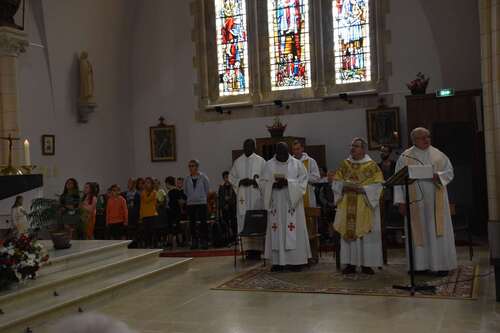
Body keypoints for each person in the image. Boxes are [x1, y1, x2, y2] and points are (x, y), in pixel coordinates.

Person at [394, 127, 457, 275]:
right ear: (414, 140)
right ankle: (419, 266)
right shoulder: (405, 156)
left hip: (436, 202)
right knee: (418, 232)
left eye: (428, 136)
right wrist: (401, 202)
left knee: (436, 232)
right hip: (415, 203)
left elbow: (449, 172)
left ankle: (441, 266)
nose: (427, 139)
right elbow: (397, 181)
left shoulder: (438, 155)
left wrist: (438, 176)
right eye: (423, 137)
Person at [333, 137, 384, 275]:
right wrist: (342, 187)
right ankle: (350, 263)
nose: (352, 148)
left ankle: (367, 264)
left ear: (363, 149)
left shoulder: (372, 165)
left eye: (356, 146)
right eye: (352, 145)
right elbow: (336, 181)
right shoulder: (345, 164)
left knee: (366, 233)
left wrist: (363, 189)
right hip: (347, 202)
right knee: (348, 231)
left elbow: (379, 185)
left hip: (364, 203)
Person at [262, 142, 312, 271]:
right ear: (276, 152)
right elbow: (262, 183)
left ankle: (296, 262)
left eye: (284, 152)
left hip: (292, 204)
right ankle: (278, 263)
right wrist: (272, 185)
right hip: (276, 205)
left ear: (288, 151)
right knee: (277, 231)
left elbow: (303, 183)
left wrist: (288, 184)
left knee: (294, 230)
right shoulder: (268, 165)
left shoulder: (297, 164)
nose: (282, 155)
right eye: (279, 153)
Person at [229, 139, 266, 258]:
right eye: (245, 147)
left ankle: (257, 250)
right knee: (243, 219)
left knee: (256, 220)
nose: (247, 149)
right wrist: (240, 181)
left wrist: (256, 182)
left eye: (249, 147)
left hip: (256, 197)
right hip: (243, 197)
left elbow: (266, 178)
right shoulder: (238, 162)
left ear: (254, 147)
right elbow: (231, 177)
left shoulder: (261, 161)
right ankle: (247, 249)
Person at [184, 160, 210, 250]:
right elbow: (185, 191)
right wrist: (191, 197)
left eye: (192, 166)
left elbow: (207, 189)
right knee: (192, 223)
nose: (190, 168)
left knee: (203, 222)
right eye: (189, 166)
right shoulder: (187, 178)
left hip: (201, 202)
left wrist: (201, 196)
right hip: (191, 203)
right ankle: (194, 241)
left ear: (197, 167)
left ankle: (204, 241)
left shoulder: (203, 177)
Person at [292, 140, 321, 208]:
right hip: (294, 193)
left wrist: (304, 176)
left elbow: (317, 178)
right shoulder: (290, 162)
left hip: (308, 193)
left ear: (302, 148)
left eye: (298, 149)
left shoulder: (310, 161)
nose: (296, 151)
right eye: (294, 149)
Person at [166, 176, 186, 248]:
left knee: (174, 227)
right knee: (176, 227)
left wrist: (181, 209)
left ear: (168, 183)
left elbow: (180, 201)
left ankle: (173, 242)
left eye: (166, 184)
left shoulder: (173, 191)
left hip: (173, 212)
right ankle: (177, 242)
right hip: (174, 211)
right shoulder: (175, 191)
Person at [218, 171, 237, 246]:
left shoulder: (233, 187)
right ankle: (228, 239)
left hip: (232, 208)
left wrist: (229, 202)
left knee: (233, 224)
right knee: (226, 224)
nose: (227, 179)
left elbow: (235, 198)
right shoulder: (221, 187)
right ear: (223, 178)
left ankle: (234, 239)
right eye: (225, 177)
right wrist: (224, 205)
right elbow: (220, 198)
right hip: (225, 209)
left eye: (228, 177)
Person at [140, 177, 158, 248]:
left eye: (148, 182)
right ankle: (148, 245)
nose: (147, 184)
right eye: (146, 182)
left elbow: (147, 200)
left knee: (152, 231)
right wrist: (140, 216)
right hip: (145, 215)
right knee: (146, 232)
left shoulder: (154, 192)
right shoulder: (143, 193)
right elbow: (141, 205)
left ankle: (154, 245)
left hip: (152, 214)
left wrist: (143, 192)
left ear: (152, 184)